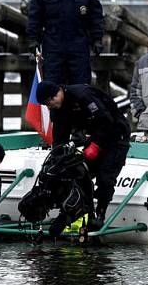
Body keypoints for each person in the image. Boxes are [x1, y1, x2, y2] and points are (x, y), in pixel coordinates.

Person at [35, 80, 130, 231]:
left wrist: (96, 145)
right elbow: (60, 136)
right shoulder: (57, 108)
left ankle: (100, 214)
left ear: (57, 94)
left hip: (115, 135)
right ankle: (79, 211)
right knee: (74, 171)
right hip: (94, 135)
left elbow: (106, 120)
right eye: (46, 104)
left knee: (105, 177)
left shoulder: (83, 95)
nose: (48, 106)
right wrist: (57, 157)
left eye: (48, 102)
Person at [27, 0, 104, 85]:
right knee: (52, 88)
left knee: (81, 87)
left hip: (79, 46)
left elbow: (95, 14)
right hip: (53, 46)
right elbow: (35, 15)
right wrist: (33, 39)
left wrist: (97, 39)